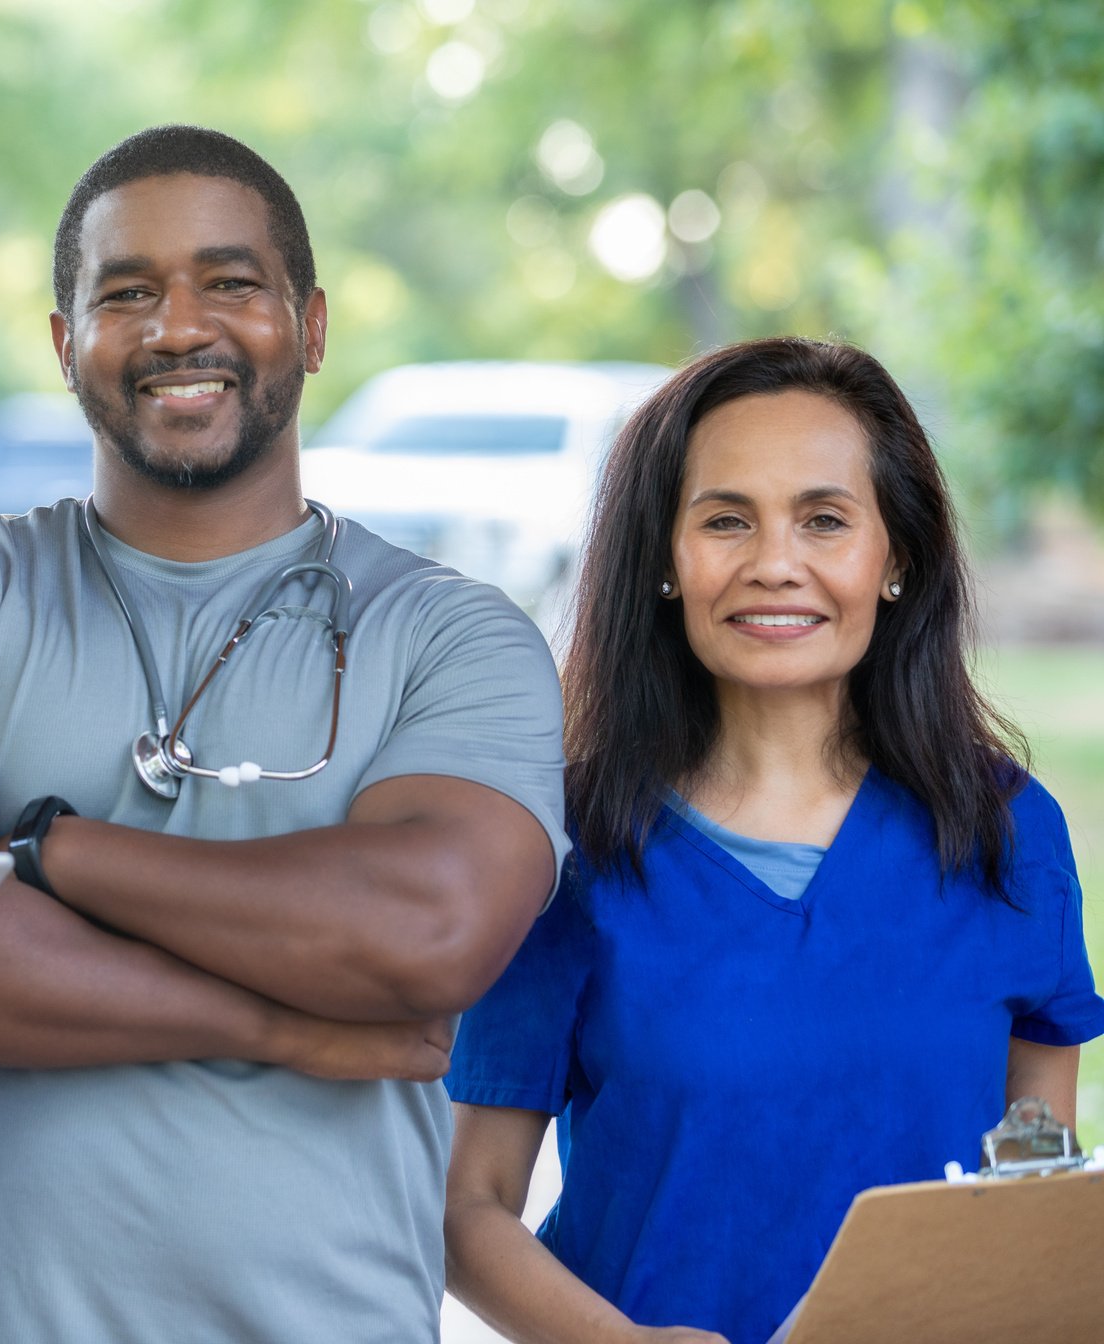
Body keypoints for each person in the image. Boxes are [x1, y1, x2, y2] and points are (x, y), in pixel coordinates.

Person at [0, 124, 568, 1343]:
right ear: (64, 344)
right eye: (126, 292)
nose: (178, 327)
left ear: (308, 325)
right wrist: (280, 1022)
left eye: (229, 283)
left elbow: (425, 932)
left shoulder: (453, 637)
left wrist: (48, 855)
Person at [443, 337, 1104, 1344]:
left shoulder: (1007, 832)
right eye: (724, 521)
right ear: (664, 560)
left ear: (899, 559)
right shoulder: (563, 848)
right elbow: (468, 1207)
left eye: (825, 520)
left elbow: (1036, 1183)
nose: (774, 565)